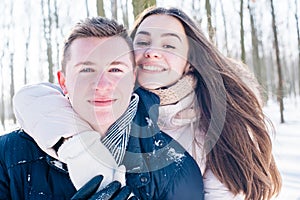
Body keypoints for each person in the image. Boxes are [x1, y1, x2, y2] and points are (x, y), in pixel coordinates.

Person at [1, 17, 204, 199]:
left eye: (115, 69)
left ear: (133, 77)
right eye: (86, 69)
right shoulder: (6, 158)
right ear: (63, 81)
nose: (101, 83)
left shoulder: (177, 169)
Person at [129, 7, 281, 200]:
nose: (151, 52)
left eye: (169, 46)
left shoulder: (220, 124)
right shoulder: (104, 110)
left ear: (190, 61)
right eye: (142, 42)